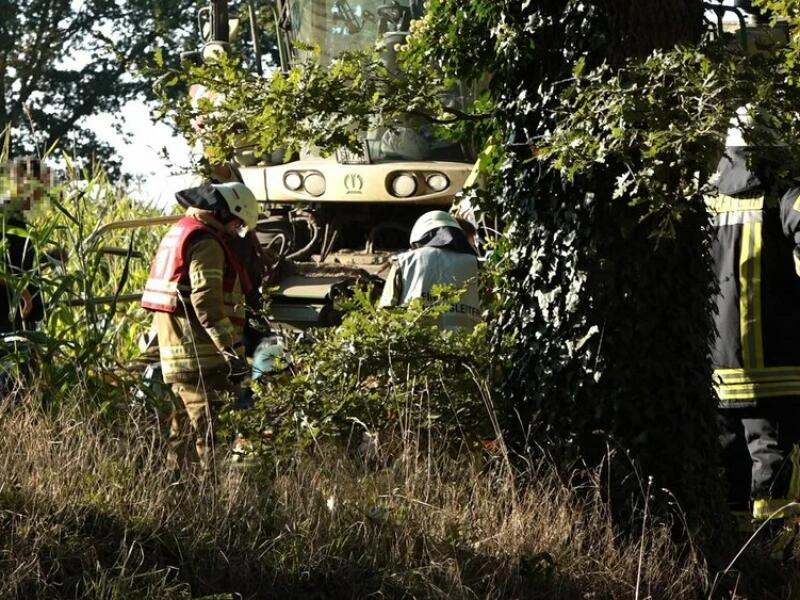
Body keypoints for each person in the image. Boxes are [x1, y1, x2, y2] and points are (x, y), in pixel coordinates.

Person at [709, 111, 800, 524]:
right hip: (778, 368)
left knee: (727, 472)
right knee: (772, 462)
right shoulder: (784, 193)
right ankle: (775, 564)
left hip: (718, 365)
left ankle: (735, 564)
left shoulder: (706, 197)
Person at [141, 182, 258, 472]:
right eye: (238, 225)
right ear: (224, 212)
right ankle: (214, 507)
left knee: (182, 436)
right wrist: (232, 352)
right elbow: (205, 302)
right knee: (211, 439)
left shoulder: (182, 231)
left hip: (179, 355)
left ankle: (178, 498)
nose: (235, 232)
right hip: (201, 357)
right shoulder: (206, 243)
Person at [379, 210, 481, 331]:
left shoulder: (403, 262)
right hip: (467, 344)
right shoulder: (476, 264)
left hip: (414, 343)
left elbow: (385, 311)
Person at [0, 156, 48, 334]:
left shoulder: (17, 218)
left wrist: (48, 258)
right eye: (42, 186)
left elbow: (15, 264)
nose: (43, 194)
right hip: (7, 319)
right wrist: (19, 288)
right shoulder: (4, 215)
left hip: (20, 319)